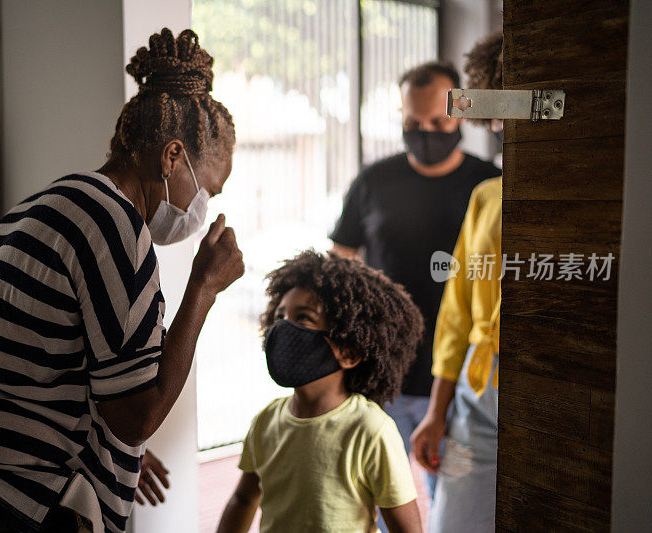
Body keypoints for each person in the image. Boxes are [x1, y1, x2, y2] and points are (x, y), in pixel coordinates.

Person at [0, 28, 242, 533]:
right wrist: (203, 288)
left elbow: (28, 365)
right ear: (171, 157)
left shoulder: (49, 205)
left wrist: (105, 448)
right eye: (208, 187)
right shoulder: (115, 224)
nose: (203, 206)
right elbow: (135, 419)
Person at [330, 61, 501, 503]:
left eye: (437, 122)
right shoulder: (373, 180)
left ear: (460, 115)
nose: (425, 132)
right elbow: (340, 263)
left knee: (451, 502)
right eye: (412, 123)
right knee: (376, 500)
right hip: (381, 377)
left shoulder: (489, 185)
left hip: (463, 382)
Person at [216, 250, 425, 533]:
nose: (283, 328)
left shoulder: (371, 430)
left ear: (349, 351)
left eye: (303, 317)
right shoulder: (265, 421)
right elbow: (243, 499)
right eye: (279, 317)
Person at [410, 32, 504, 533]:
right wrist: (436, 411)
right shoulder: (488, 197)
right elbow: (457, 313)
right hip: (476, 391)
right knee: (453, 522)